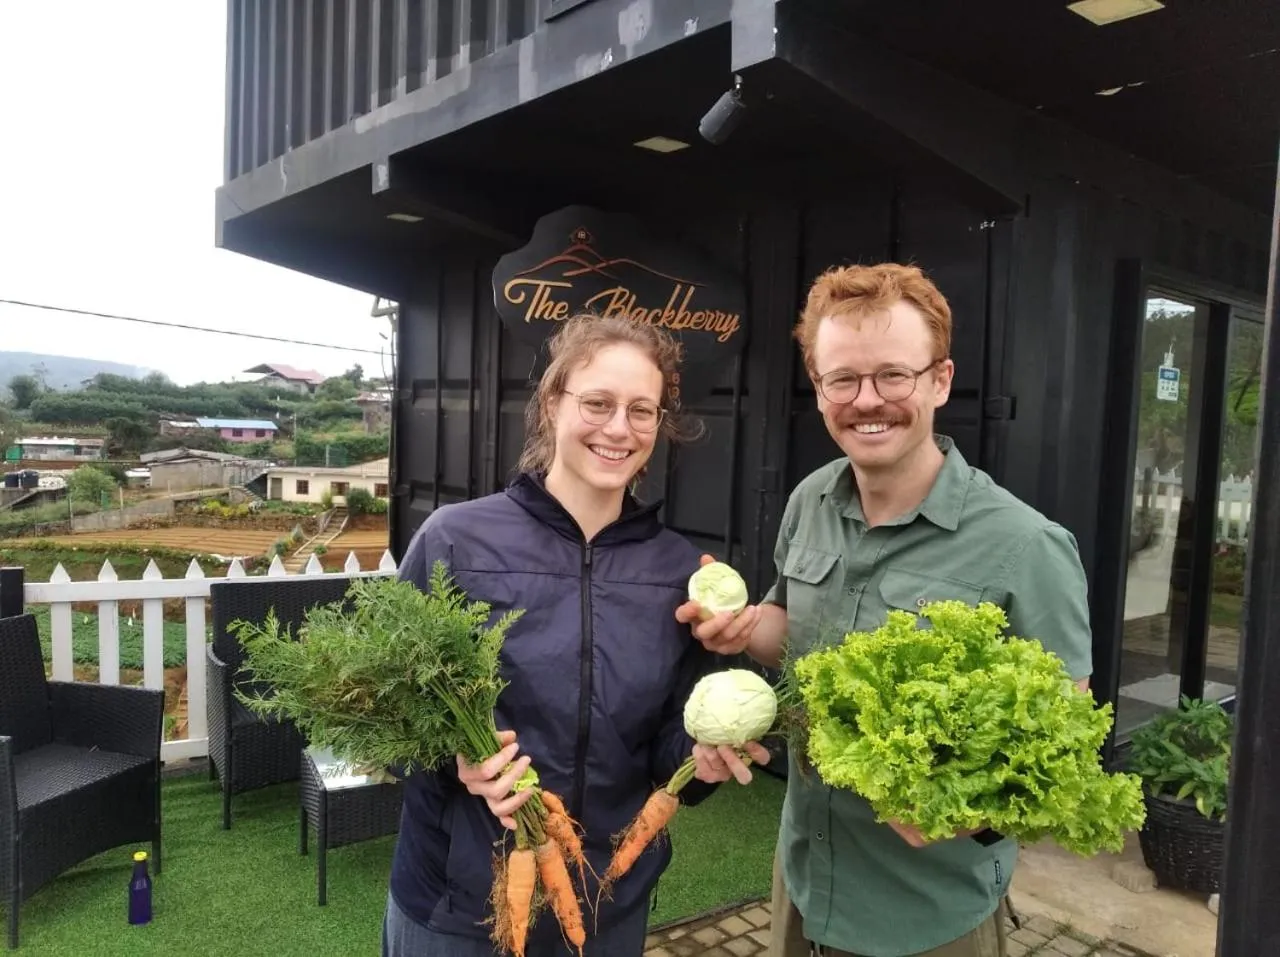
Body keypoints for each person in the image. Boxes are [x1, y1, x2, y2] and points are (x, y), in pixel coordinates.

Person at [678, 263, 1094, 957]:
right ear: (819, 390)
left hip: (923, 918)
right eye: (843, 378)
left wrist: (963, 814)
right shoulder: (810, 500)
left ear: (939, 379)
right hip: (802, 884)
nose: (867, 399)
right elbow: (794, 633)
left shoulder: (1026, 547)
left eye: (893, 375)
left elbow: (1067, 753)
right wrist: (744, 629)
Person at [384, 312, 770, 957]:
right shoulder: (457, 539)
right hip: (458, 899)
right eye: (598, 403)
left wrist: (700, 760)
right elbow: (389, 714)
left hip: (604, 901)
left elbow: (669, 739)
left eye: (641, 410)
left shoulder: (680, 571)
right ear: (552, 403)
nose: (619, 428)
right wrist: (456, 763)